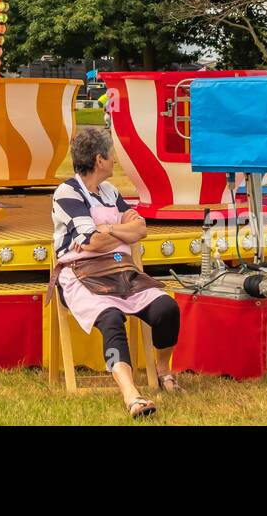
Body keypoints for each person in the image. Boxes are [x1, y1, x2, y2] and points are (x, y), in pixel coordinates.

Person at [48, 127, 181, 418]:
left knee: (166, 308)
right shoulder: (67, 192)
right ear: (99, 160)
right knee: (110, 317)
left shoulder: (110, 191)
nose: (114, 160)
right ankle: (131, 395)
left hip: (121, 268)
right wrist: (120, 234)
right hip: (81, 274)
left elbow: (141, 228)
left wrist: (109, 230)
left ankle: (163, 369)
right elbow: (91, 241)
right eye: (111, 154)